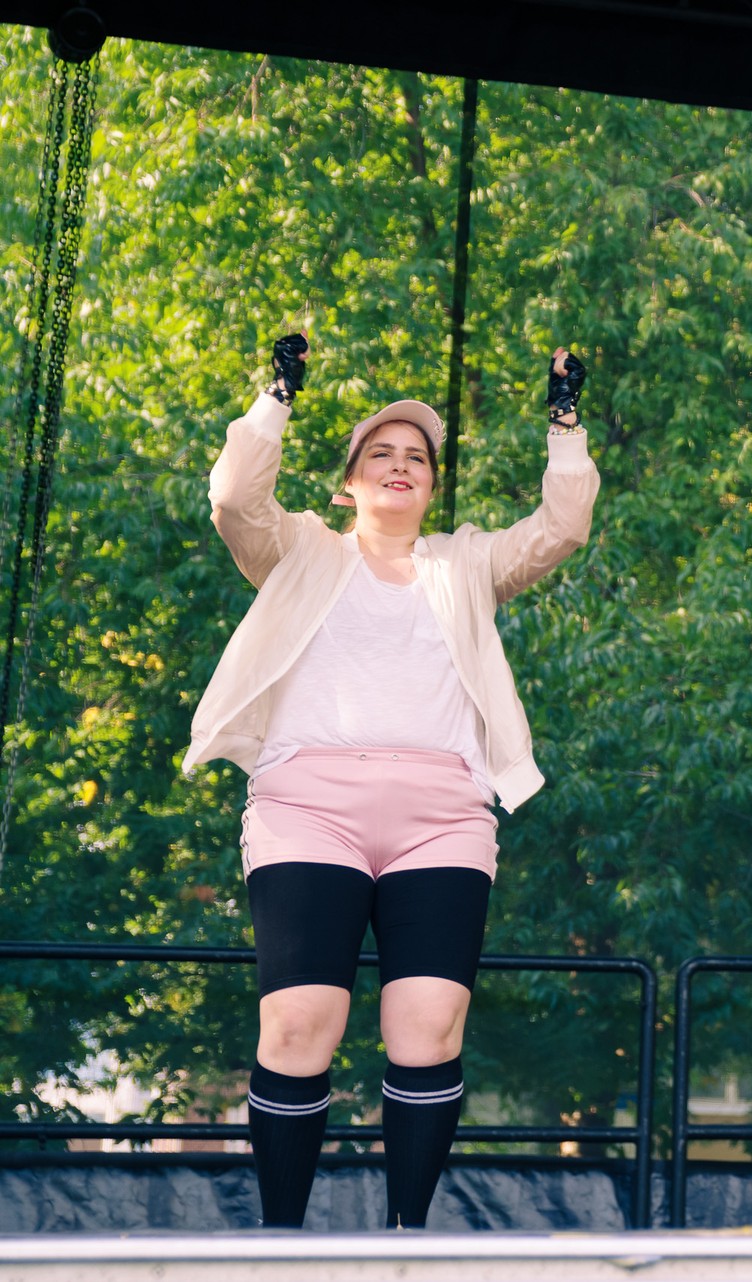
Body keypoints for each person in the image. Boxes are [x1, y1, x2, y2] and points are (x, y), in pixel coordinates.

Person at [183, 333, 600, 1229]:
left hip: (441, 819)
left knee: (430, 1028)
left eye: (416, 457)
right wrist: (276, 397)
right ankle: (282, 1245)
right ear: (348, 485)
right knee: (299, 1025)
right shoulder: (299, 551)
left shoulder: (468, 563)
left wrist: (564, 423)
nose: (401, 464)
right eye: (381, 454)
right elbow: (233, 497)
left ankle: (408, 1240)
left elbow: (561, 528)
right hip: (308, 810)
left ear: (432, 487)